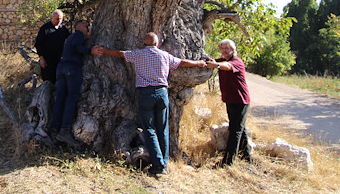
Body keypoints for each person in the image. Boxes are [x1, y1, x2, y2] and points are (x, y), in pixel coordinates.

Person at [99, 32, 207, 175]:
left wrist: (104, 50)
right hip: (162, 93)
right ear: (157, 43)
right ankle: (164, 161)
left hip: (146, 94)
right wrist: (198, 63)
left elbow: (120, 54)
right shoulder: (164, 55)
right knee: (162, 128)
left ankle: (158, 164)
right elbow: (181, 62)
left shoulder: (139, 54)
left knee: (149, 129)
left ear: (145, 43)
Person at [49, 19, 102, 148]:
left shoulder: (70, 38)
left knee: (60, 99)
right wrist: (91, 51)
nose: (87, 29)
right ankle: (65, 130)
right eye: (86, 26)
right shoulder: (78, 34)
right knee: (72, 98)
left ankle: (53, 130)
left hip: (61, 68)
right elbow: (79, 48)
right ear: (79, 26)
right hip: (72, 68)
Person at [205, 39, 252, 167]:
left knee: (235, 130)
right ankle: (246, 157)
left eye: (227, 48)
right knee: (239, 129)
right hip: (230, 100)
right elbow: (213, 61)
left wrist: (217, 65)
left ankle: (228, 161)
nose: (224, 51)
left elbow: (228, 66)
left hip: (240, 100)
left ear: (233, 50)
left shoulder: (236, 61)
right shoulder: (222, 61)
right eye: (222, 48)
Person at [35, 9, 70, 84]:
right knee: (48, 82)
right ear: (52, 17)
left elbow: (71, 38)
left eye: (60, 19)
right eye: (57, 18)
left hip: (59, 60)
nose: (59, 20)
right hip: (47, 61)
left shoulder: (63, 29)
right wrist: (41, 58)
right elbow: (38, 44)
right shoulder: (45, 28)